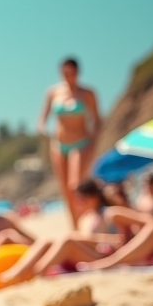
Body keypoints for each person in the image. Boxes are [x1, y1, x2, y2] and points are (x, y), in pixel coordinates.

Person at [0, 179, 122, 282]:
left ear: (94, 197)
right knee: (47, 240)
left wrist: (85, 239)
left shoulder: (108, 213)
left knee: (68, 240)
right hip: (85, 254)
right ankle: (19, 271)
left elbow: (117, 239)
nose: (79, 202)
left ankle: (37, 273)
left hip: (101, 257)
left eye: (82, 198)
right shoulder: (86, 218)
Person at [38, 57, 101, 228]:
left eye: (71, 72)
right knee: (65, 190)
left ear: (78, 72)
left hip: (80, 143)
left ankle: (86, 222)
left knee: (75, 186)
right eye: (65, 73)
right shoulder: (53, 92)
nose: (68, 76)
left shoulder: (87, 93)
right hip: (58, 145)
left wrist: (93, 143)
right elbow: (43, 118)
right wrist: (43, 130)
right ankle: (75, 228)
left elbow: (97, 121)